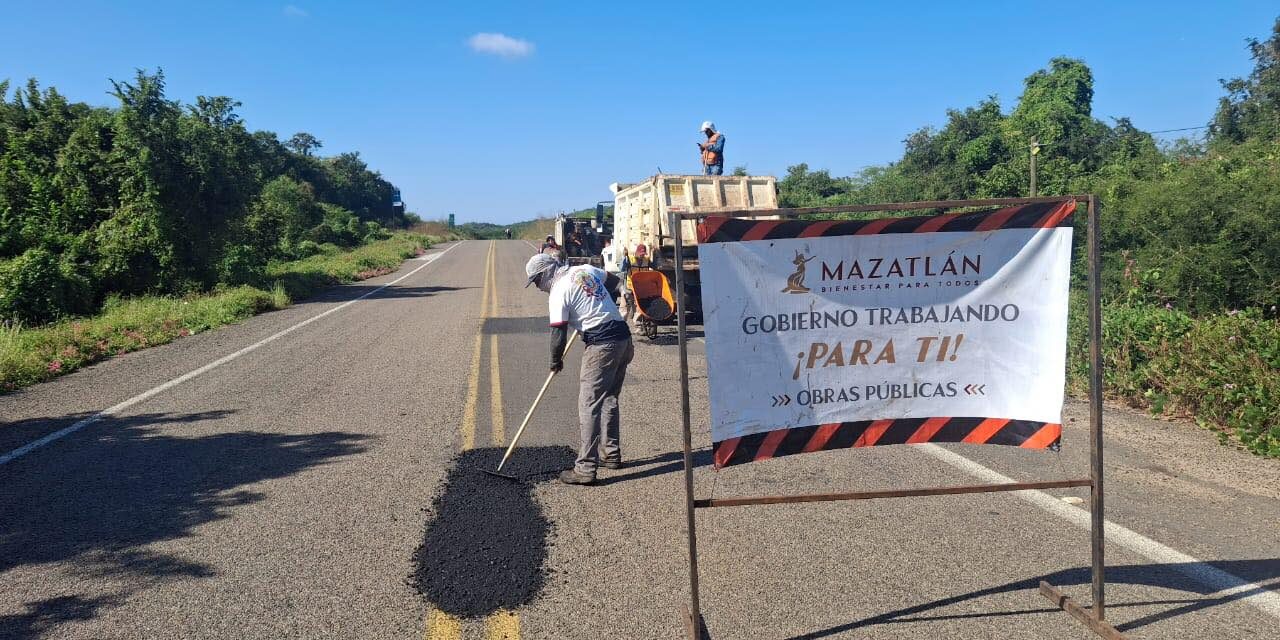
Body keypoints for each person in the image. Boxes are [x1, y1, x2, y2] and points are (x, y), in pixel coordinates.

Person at [525, 253, 633, 485]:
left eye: (536, 280)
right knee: (609, 399)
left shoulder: (558, 292)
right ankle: (611, 454)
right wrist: (618, 298)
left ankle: (585, 468)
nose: (537, 286)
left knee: (589, 405)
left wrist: (555, 361)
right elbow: (615, 282)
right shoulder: (583, 270)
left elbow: (558, 334)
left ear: (546, 273)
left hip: (602, 345)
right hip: (623, 339)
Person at [600, 237, 633, 320]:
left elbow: (601, 262)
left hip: (608, 274)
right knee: (622, 294)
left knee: (610, 295)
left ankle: (610, 313)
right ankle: (622, 314)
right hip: (620, 274)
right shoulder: (621, 249)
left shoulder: (604, 250)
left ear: (607, 242)